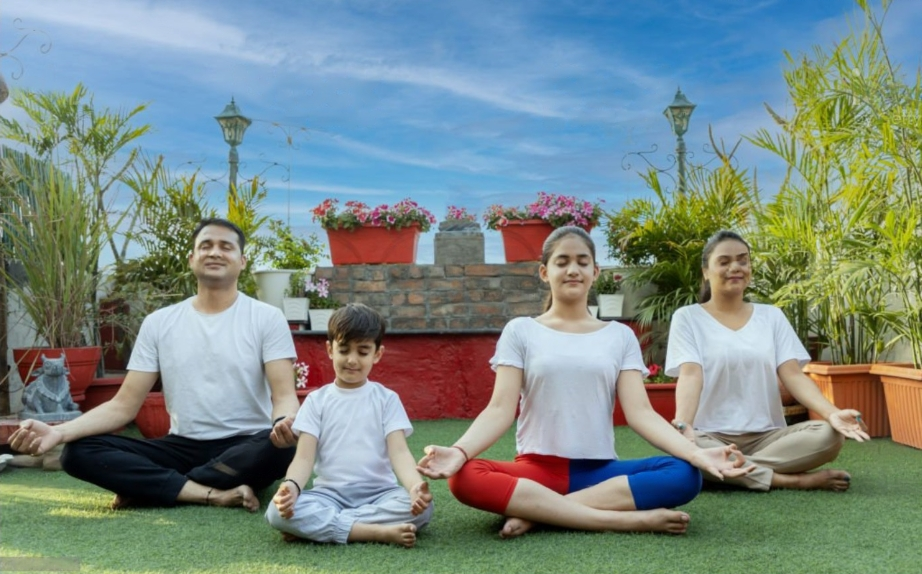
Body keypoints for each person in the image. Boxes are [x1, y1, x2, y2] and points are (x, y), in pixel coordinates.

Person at [416, 226, 752, 538]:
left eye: (582, 261)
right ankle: (621, 521)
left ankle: (540, 512)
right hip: (537, 470)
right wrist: (459, 451)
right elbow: (500, 409)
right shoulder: (521, 330)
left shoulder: (619, 336)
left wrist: (698, 455)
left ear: (596, 272)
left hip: (599, 472)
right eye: (562, 262)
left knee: (684, 475)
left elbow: (641, 414)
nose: (573, 269)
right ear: (545, 272)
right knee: (465, 477)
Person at [9, 218, 301, 511]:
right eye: (206, 246)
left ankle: (154, 487)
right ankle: (208, 492)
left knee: (281, 448)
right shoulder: (160, 322)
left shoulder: (266, 318)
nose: (215, 252)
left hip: (246, 445)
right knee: (77, 452)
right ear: (192, 259)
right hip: (181, 446)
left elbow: (284, 396)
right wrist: (59, 432)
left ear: (242, 261)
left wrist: (282, 424)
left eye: (226, 247)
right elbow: (123, 405)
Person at [665, 230, 870, 492]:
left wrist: (832, 414)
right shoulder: (688, 318)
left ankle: (717, 470)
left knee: (828, 435)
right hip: (711, 436)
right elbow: (691, 375)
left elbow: (793, 375)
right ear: (706, 271)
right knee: (683, 444)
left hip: (770, 437)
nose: (735, 268)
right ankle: (790, 480)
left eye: (743, 260)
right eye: (724, 261)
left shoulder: (771, 316)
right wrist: (684, 427)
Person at [266, 303, 433, 548]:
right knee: (275, 512)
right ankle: (374, 531)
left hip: (380, 494)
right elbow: (303, 459)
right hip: (329, 495)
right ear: (330, 349)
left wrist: (415, 488)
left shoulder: (387, 399)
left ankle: (322, 528)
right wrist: (291, 488)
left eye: (363, 352)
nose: (352, 360)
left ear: (377, 354)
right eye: (344, 350)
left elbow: (399, 453)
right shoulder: (315, 401)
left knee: (423, 511)